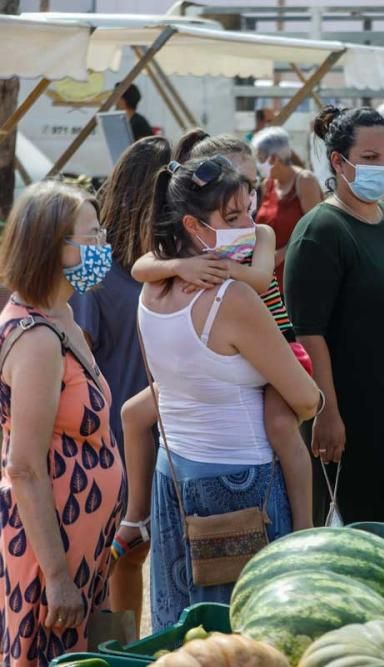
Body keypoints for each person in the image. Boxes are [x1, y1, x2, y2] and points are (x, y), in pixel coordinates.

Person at [140, 155, 321, 628]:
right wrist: (316, 398)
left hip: (173, 475)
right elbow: (304, 399)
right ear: (193, 226)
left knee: (182, 633)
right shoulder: (231, 297)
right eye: (232, 217)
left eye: (247, 212)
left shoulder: (152, 289)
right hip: (240, 487)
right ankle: (306, 536)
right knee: (244, 636)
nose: (246, 224)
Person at [284, 107, 384, 530]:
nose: (383, 167)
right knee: (368, 533)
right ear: (338, 162)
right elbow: (310, 332)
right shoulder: (320, 231)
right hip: (360, 414)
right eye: (370, 157)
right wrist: (327, 410)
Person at [0, 181, 124, 665]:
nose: (102, 246)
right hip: (50, 557)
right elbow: (25, 466)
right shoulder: (36, 340)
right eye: (92, 236)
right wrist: (56, 577)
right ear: (55, 247)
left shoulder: (63, 316)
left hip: (82, 549)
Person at [69, 135, 170, 635]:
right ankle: (119, 648)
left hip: (166, 434)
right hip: (109, 440)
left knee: (140, 552)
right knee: (119, 557)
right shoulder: (100, 272)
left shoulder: (168, 265)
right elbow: (77, 358)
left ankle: (130, 644)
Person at [252, 127, 324, 295]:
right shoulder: (267, 185)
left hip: (298, 278)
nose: (257, 163)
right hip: (269, 280)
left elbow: (316, 229)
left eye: (260, 157)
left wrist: (280, 255)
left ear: (274, 158)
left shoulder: (304, 181)